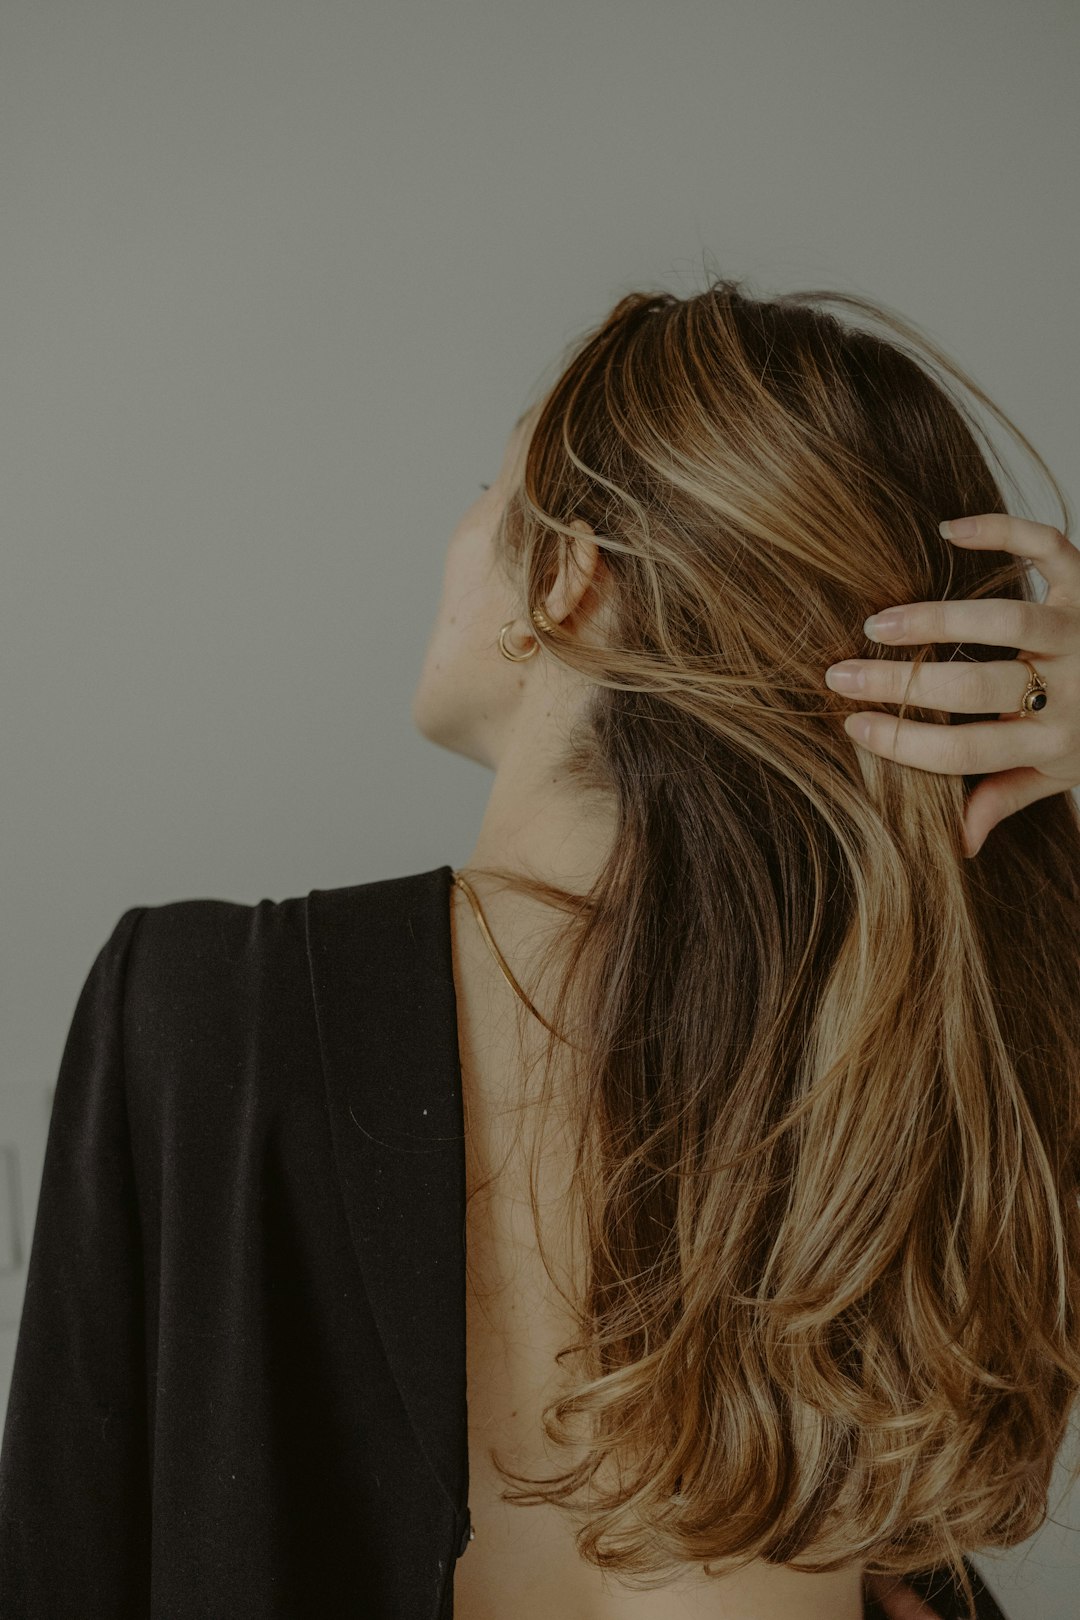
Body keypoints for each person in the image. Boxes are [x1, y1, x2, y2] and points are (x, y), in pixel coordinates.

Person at [2, 279, 1077, 1620]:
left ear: (567, 578)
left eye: (487, 491)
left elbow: (65, 1564)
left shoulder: (196, 1009)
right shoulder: (953, 1061)